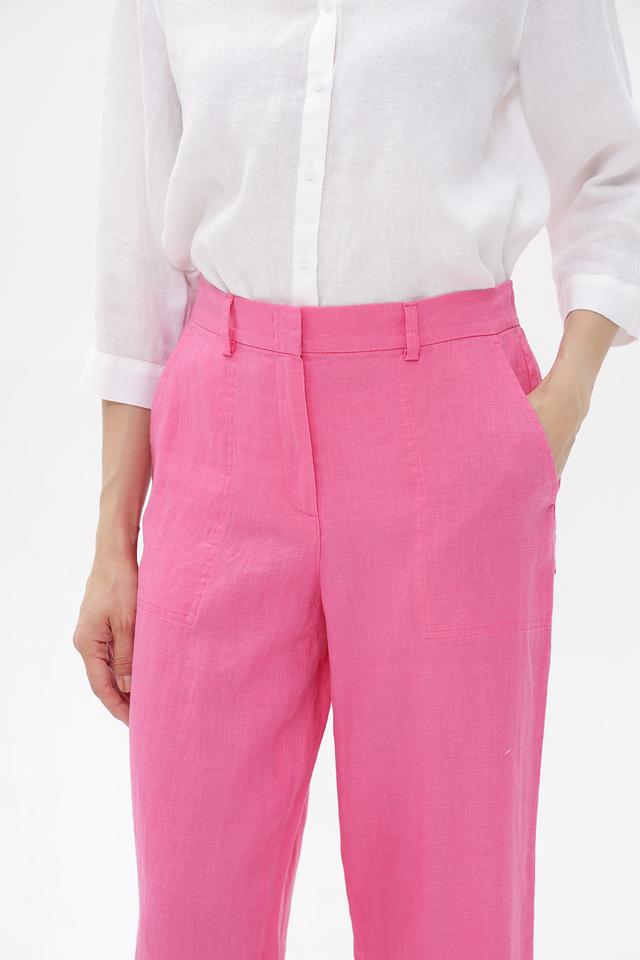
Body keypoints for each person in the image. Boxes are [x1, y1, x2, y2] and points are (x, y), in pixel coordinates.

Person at [72, 2, 640, 958]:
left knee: (450, 907)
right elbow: (135, 242)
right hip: (220, 432)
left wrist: (564, 401)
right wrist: (110, 543)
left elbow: (613, 170)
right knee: (192, 911)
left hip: (450, 438)